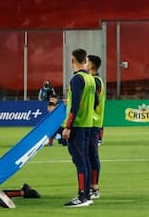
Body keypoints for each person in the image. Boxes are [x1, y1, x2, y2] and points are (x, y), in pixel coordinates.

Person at [62, 48, 97, 207]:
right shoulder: (91, 79)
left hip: (77, 125)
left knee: (79, 160)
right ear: (85, 61)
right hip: (88, 124)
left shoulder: (77, 79)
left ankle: (82, 196)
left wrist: (68, 126)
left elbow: (75, 105)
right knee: (86, 159)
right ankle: (87, 194)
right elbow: (95, 102)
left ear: (73, 60)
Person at [86, 54, 105, 200]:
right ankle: (90, 187)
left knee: (92, 155)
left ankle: (94, 188)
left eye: (86, 62)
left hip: (93, 122)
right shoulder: (93, 80)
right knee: (88, 155)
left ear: (91, 65)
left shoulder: (96, 81)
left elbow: (94, 102)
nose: (84, 64)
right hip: (90, 122)